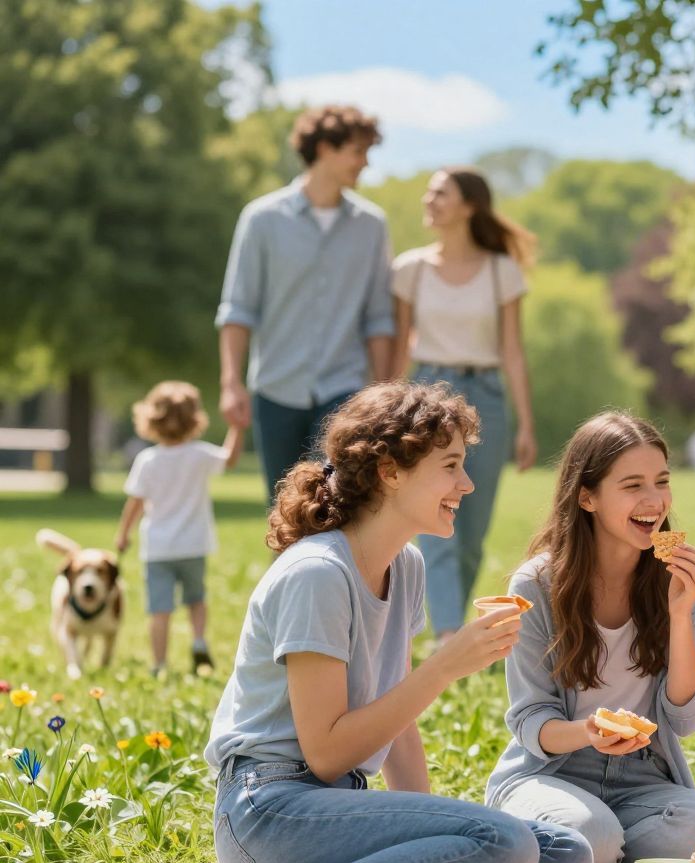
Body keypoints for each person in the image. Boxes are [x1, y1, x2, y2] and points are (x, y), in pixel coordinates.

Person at [174, 382, 591, 863]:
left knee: (565, 857)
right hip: (269, 811)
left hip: (337, 808)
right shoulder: (318, 574)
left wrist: (434, 832)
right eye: (450, 466)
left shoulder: (407, 567)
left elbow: (395, 722)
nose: (465, 484)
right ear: (390, 471)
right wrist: (443, 667)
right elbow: (325, 754)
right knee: (507, 844)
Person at [486, 412, 695, 863]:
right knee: (588, 835)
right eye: (632, 485)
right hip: (554, 771)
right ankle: (598, 845)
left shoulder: (683, 581)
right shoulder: (537, 585)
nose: (654, 500)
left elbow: (685, 718)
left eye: (661, 482)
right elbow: (531, 720)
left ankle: (603, 851)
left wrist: (680, 616)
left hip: (643, 777)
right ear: (587, 498)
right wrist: (588, 734)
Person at [216, 105, 397, 499]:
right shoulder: (262, 218)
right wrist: (231, 383)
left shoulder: (371, 225)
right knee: (284, 509)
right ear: (325, 149)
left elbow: (379, 318)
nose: (365, 163)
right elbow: (238, 308)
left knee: (337, 503)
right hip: (276, 386)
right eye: (357, 151)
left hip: (344, 388)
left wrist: (382, 393)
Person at [393, 167, 538, 639]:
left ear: (469, 206)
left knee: (470, 531)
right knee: (431, 517)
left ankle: (451, 625)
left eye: (440, 193)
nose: (429, 199)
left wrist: (525, 425)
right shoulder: (410, 269)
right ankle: (448, 636)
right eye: (430, 190)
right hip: (427, 394)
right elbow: (399, 346)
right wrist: (389, 410)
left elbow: (513, 351)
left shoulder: (501, 271)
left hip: (487, 394)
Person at [115, 382, 242, 676]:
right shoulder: (199, 454)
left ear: (150, 419)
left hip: (158, 548)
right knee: (196, 600)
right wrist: (236, 428)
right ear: (194, 419)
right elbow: (230, 459)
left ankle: (159, 664)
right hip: (194, 544)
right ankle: (198, 641)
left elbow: (135, 503)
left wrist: (123, 534)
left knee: (160, 610)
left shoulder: (147, 460)